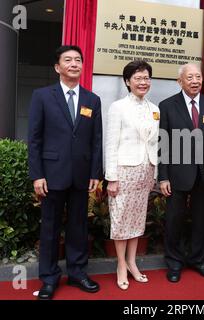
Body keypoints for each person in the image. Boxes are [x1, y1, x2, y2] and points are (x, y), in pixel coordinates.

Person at [28, 45, 103, 300]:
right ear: (57, 67)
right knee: (50, 228)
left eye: (78, 60)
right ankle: (49, 278)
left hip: (82, 175)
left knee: (79, 226)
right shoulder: (42, 96)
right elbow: (34, 139)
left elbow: (96, 140)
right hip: (51, 175)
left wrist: (95, 172)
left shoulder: (92, 100)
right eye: (68, 60)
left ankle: (77, 272)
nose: (74, 64)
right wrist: (37, 175)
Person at [158, 63, 204, 283]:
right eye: (190, 77)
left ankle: (198, 260)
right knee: (174, 219)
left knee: (201, 220)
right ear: (180, 81)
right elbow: (163, 142)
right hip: (177, 174)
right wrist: (163, 176)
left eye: (198, 77)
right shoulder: (167, 106)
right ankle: (174, 262)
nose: (195, 81)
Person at [105, 60, 159, 290]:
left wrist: (155, 170)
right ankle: (120, 264)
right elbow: (110, 144)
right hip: (124, 171)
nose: (143, 82)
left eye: (146, 78)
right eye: (137, 78)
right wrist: (112, 177)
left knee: (137, 219)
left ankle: (131, 262)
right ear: (127, 81)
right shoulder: (118, 107)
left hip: (145, 170)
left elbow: (155, 143)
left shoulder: (155, 109)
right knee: (120, 219)